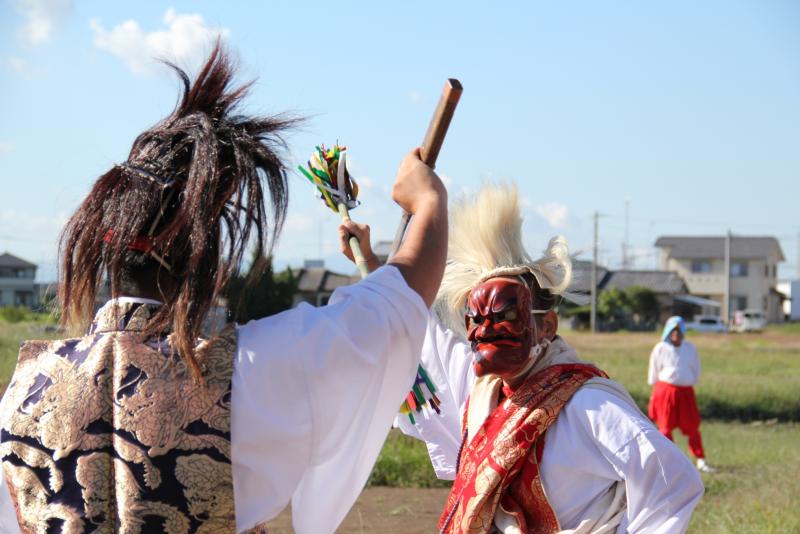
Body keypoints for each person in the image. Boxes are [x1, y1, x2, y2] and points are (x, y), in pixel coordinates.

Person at [0, 44, 448, 534]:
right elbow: (388, 313)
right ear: (206, 263)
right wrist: (427, 201)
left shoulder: (22, 393)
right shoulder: (242, 373)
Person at [341, 183, 703, 533]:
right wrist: (373, 264)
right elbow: (419, 336)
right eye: (476, 318)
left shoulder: (586, 403)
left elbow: (672, 482)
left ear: (547, 326)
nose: (486, 329)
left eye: (506, 315)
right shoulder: (481, 395)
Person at [648, 316, 715, 473]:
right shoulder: (660, 348)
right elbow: (654, 372)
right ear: (668, 333)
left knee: (692, 427)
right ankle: (669, 463)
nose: (676, 335)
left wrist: (688, 381)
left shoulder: (690, 348)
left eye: (679, 332)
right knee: (665, 428)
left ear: (683, 332)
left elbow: (696, 369)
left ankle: (701, 460)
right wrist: (655, 393)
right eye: (673, 332)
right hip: (665, 392)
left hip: (685, 393)